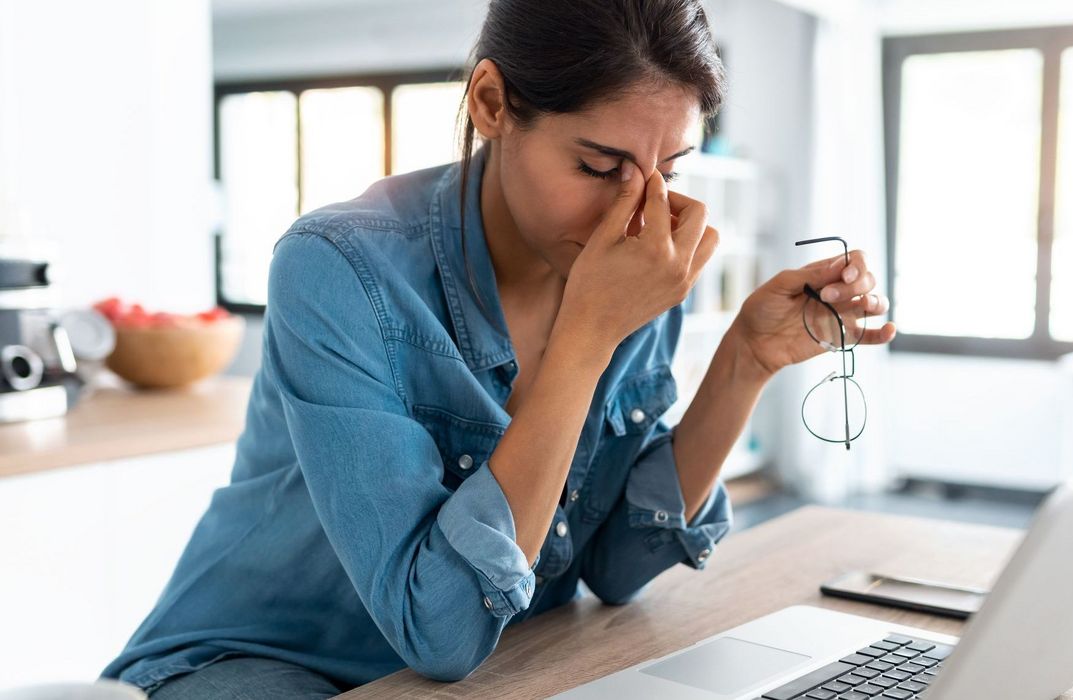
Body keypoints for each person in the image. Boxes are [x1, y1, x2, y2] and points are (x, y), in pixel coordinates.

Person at [99, 0, 895, 697]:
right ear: (490, 102)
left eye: (669, 168)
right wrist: (587, 336)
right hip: (260, 663)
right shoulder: (338, 265)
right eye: (598, 165)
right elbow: (437, 630)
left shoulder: (624, 263)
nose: (639, 212)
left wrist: (743, 361)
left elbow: (617, 567)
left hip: (487, 666)